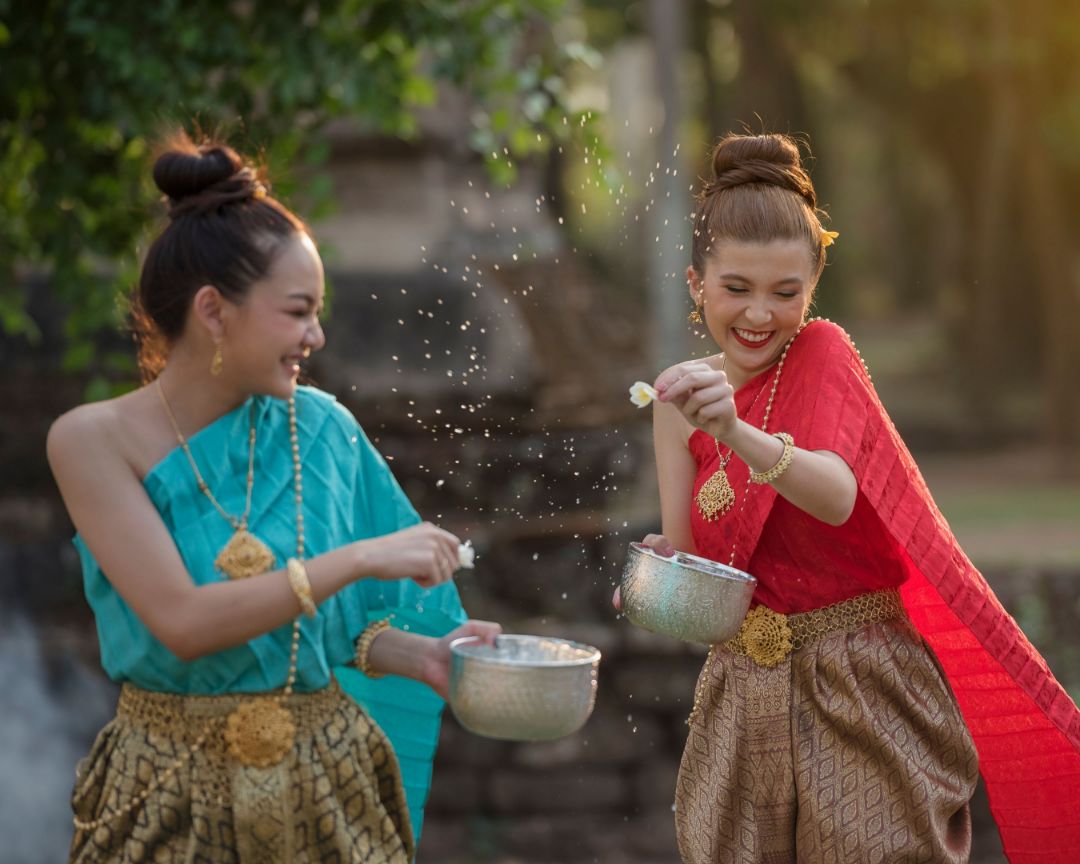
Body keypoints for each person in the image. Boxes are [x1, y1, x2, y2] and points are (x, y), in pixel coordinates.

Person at [623, 132, 1080, 862]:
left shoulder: (823, 353)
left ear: (813, 288)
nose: (759, 314)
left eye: (785, 292)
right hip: (742, 698)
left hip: (861, 685)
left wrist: (734, 429)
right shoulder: (676, 397)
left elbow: (834, 494)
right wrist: (660, 577)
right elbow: (695, 556)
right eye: (736, 287)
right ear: (695, 283)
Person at [46, 132, 500, 863]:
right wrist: (357, 558)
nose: (315, 335)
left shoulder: (319, 429)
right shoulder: (92, 441)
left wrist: (423, 655)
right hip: (171, 792)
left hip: (324, 793)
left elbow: (319, 630)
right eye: (297, 311)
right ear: (214, 311)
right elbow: (185, 624)